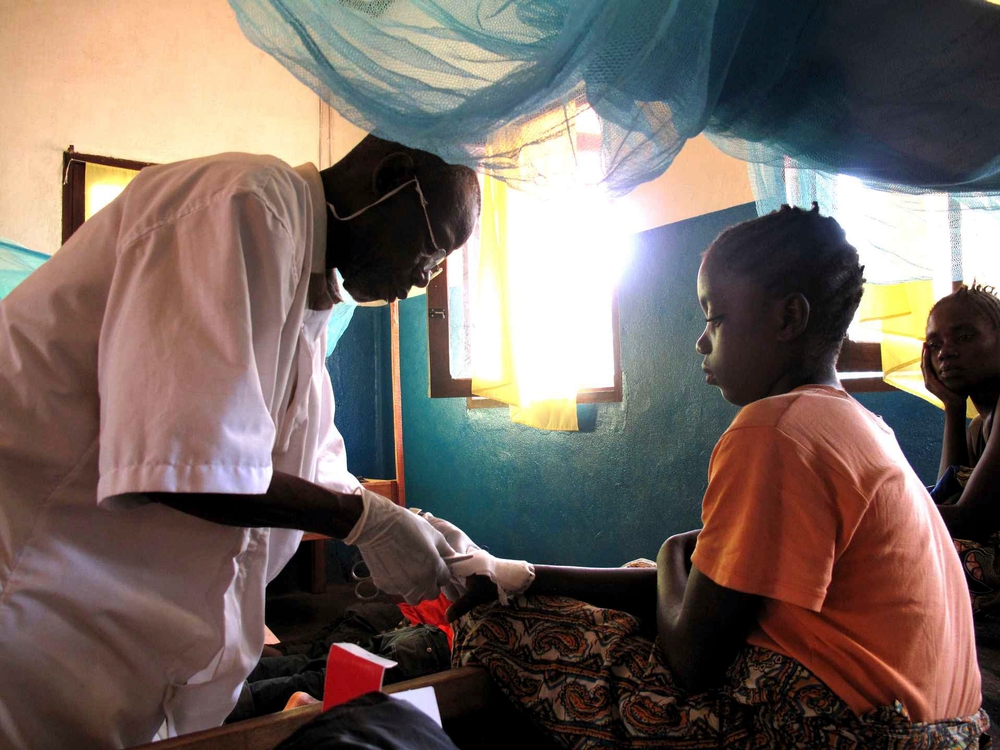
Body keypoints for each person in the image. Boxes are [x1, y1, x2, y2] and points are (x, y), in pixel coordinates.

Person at [0, 134, 480, 748]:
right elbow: (180, 463)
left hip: (117, 633)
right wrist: (363, 521)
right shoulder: (241, 206)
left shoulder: (309, 289)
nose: (422, 279)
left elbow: (312, 460)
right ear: (391, 179)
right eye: (433, 248)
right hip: (41, 597)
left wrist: (412, 525)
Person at [445, 205, 988, 747]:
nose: (701, 342)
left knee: (495, 628)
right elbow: (717, 588)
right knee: (650, 578)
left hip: (844, 733)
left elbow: (691, 662)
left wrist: (668, 551)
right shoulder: (860, 426)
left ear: (788, 319)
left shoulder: (773, 429)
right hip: (947, 731)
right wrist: (522, 572)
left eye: (715, 317)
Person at [923, 284, 1000, 617]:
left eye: (964, 337)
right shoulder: (977, 428)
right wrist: (952, 408)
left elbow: (970, 521)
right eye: (935, 344)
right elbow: (948, 499)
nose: (945, 352)